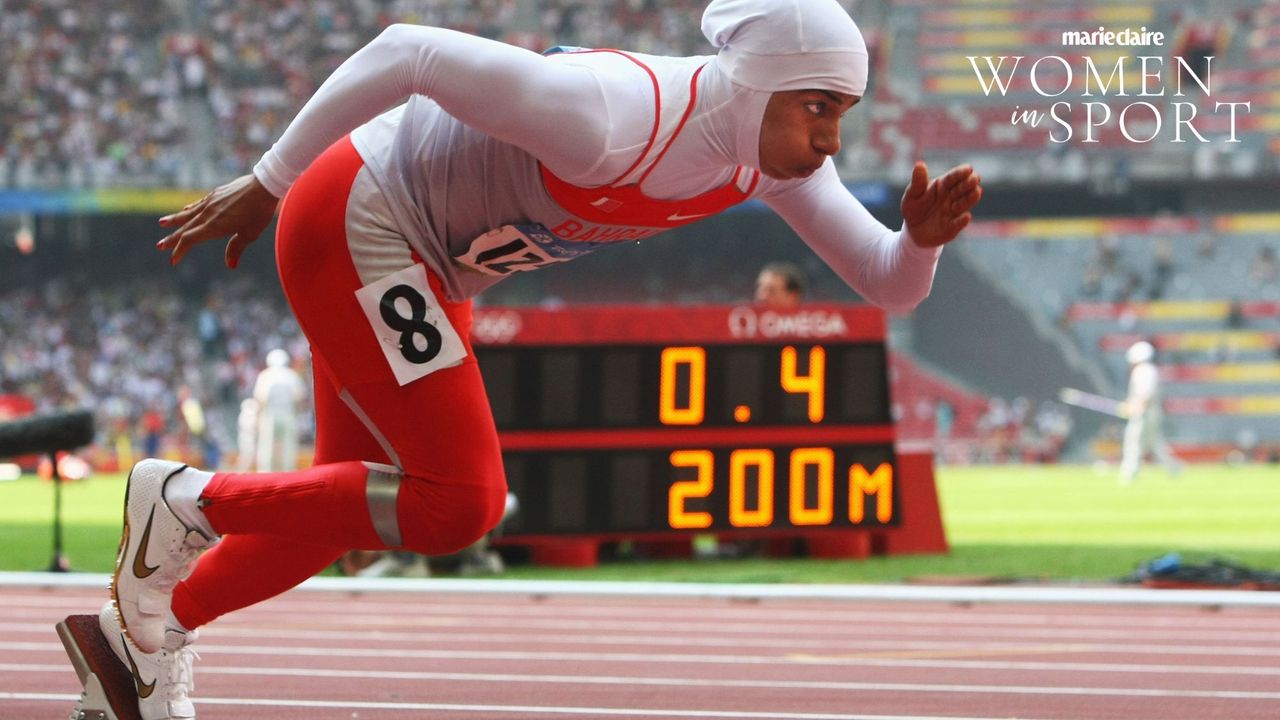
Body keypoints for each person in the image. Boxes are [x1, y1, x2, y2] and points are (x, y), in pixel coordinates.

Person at [94, 2, 984, 717]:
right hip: (357, 216)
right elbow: (407, 49)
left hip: (426, 267)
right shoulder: (607, 114)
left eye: (844, 113)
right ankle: (185, 498)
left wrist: (919, 241)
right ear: (756, 85)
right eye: (820, 107)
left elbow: (886, 285)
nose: (833, 139)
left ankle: (144, 633)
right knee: (461, 502)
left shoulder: (773, 164)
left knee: (352, 508)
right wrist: (269, 178)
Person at [1119, 340, 1183, 484]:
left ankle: (1129, 472)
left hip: (1144, 414)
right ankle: (1174, 467)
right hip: (1150, 413)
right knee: (1155, 444)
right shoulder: (1149, 370)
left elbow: (1145, 394)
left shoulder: (1143, 371)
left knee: (1133, 441)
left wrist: (1135, 407)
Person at [252, 348, 307, 471]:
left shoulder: (265, 375)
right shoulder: (291, 375)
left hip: (270, 415)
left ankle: (265, 472)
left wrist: (257, 418)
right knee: (288, 446)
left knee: (267, 445)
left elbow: (261, 399)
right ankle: (288, 472)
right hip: (288, 414)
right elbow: (299, 399)